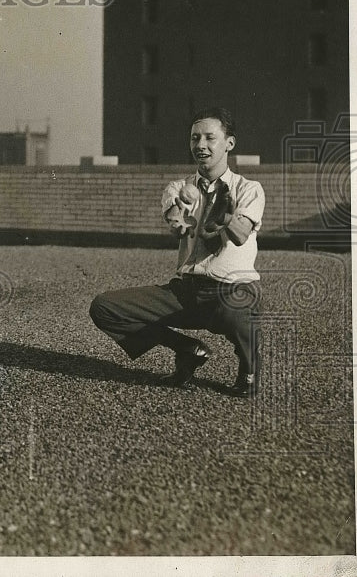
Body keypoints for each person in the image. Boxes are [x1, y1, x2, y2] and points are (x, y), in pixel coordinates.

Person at [89, 107, 265, 397]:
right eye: (195, 138)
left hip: (233, 289)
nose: (201, 145)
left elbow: (240, 235)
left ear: (229, 144)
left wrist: (224, 215)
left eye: (210, 137)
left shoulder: (249, 189)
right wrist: (180, 215)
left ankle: (248, 370)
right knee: (104, 307)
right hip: (187, 291)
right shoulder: (177, 187)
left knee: (237, 311)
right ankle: (187, 350)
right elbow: (178, 226)